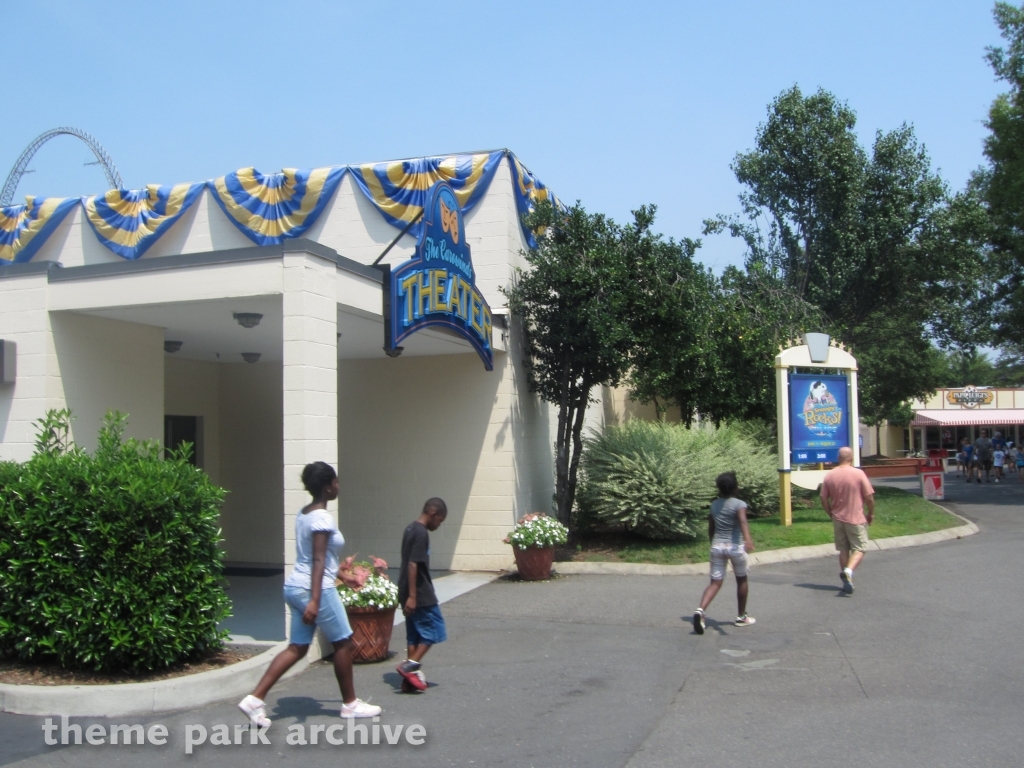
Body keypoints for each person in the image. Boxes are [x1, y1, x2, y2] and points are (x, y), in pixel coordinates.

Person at [239, 462, 381, 728]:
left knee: (298, 648)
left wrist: (344, 576)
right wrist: (315, 599)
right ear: (328, 487)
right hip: (313, 590)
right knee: (343, 643)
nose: (338, 486)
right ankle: (351, 705)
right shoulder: (322, 518)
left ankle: (254, 700)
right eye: (336, 483)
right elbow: (317, 560)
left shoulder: (304, 514)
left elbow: (319, 559)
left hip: (295, 587)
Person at [693, 471, 756, 634]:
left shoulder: (714, 505)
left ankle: (700, 610)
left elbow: (711, 527)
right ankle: (741, 616)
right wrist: (748, 539)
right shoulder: (739, 504)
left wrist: (712, 542)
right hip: (735, 546)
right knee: (741, 579)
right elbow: (742, 520)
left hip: (717, 546)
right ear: (735, 487)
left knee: (715, 582)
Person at [396, 498, 449, 692]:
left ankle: (409, 681)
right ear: (433, 514)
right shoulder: (420, 533)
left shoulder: (410, 528)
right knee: (435, 630)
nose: (439, 525)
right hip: (419, 592)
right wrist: (412, 596)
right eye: (440, 521)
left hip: (406, 589)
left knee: (414, 635)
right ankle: (409, 667)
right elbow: (413, 564)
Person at [820, 446, 875, 595]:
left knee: (843, 550)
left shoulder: (830, 475)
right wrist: (871, 513)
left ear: (839, 458)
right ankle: (848, 572)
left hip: (838, 518)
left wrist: (830, 513)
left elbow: (823, 497)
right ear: (851, 458)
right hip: (855, 518)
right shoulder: (858, 474)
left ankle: (847, 581)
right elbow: (869, 497)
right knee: (860, 548)